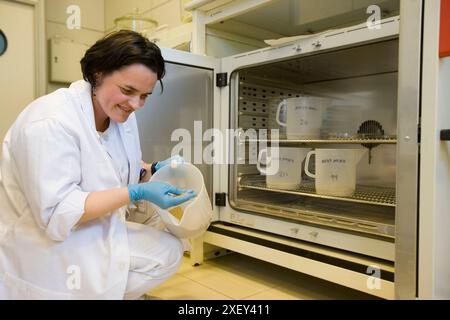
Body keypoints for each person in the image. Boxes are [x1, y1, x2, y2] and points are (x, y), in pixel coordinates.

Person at [0, 30, 196, 300]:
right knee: (162, 254)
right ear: (98, 73)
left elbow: (112, 165)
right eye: (128, 91)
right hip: (46, 240)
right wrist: (136, 193)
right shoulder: (50, 122)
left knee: (166, 237)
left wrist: (152, 170)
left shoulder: (118, 114)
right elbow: (58, 212)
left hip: (89, 226)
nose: (136, 104)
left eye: (145, 95)